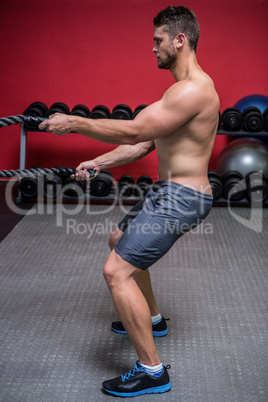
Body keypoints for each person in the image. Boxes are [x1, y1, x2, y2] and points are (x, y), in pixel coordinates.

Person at [39, 5, 220, 397]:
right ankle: (153, 319)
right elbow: (145, 142)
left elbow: (134, 128)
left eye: (157, 40)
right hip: (167, 191)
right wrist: (98, 162)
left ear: (179, 40)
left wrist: (73, 122)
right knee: (117, 240)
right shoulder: (179, 90)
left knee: (115, 271)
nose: (152, 48)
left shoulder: (193, 90)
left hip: (182, 198)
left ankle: (153, 371)